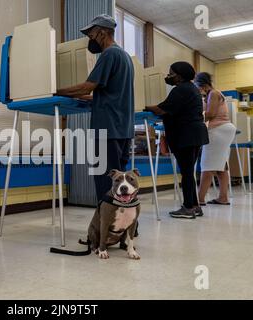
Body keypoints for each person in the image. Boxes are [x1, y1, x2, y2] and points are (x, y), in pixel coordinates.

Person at [56, 14, 135, 203]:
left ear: (102, 32)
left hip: (107, 128)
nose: (89, 38)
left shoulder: (109, 54)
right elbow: (105, 94)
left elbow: (88, 86)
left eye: (91, 33)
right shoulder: (125, 56)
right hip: (123, 129)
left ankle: (107, 229)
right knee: (122, 183)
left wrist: (56, 91)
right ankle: (125, 226)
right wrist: (77, 96)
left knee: (107, 181)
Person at [146, 62, 209, 219]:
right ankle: (194, 206)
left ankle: (188, 207)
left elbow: (161, 109)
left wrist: (144, 105)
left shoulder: (181, 89)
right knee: (189, 172)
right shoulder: (191, 88)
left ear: (179, 76)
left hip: (186, 135)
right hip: (195, 134)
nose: (168, 76)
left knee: (187, 173)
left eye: (171, 73)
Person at [195, 72, 237, 206]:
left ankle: (199, 199)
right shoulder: (211, 95)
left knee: (207, 164)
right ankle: (223, 197)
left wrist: (192, 118)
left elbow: (210, 114)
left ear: (203, 85)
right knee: (221, 166)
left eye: (198, 86)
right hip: (224, 129)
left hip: (218, 130)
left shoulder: (213, 93)